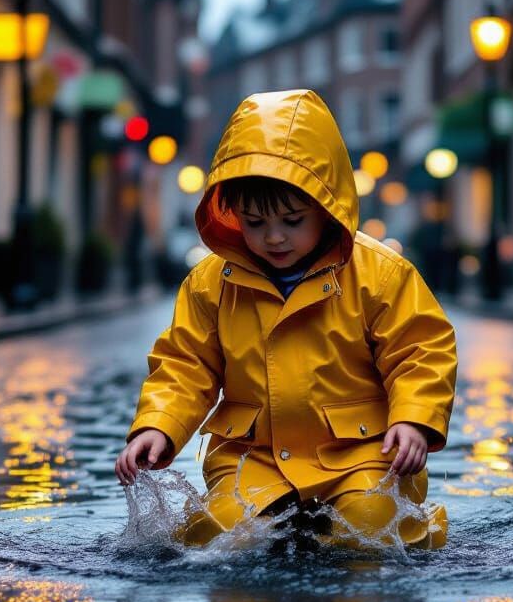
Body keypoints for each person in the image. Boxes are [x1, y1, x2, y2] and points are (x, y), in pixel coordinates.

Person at [115, 89, 457, 549]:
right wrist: (157, 425)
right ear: (232, 214)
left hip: (363, 456)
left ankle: (408, 527)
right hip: (253, 460)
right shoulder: (209, 283)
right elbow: (184, 364)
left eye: (292, 220)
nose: (273, 237)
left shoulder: (380, 274)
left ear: (325, 204)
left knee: (371, 531)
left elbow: (420, 350)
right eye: (254, 223)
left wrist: (414, 419)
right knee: (215, 536)